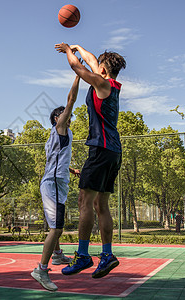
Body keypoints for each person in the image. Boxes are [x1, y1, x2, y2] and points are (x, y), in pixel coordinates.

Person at [55, 43, 126, 279]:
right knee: (101, 205)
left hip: (100, 149)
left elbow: (77, 66)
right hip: (113, 151)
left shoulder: (101, 83)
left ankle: (83, 255)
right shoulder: (111, 83)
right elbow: (93, 60)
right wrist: (79, 46)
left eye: (99, 67)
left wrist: (68, 51)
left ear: (104, 72)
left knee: (85, 200)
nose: (96, 68)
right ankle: (107, 255)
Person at [31, 75, 81, 292]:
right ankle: (40, 269)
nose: (67, 114)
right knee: (57, 228)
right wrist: (78, 74)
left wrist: (72, 169)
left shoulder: (62, 134)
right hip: (52, 184)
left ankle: (58, 256)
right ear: (56, 119)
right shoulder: (60, 128)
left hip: (57, 182)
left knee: (56, 224)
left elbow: (55, 159)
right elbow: (71, 100)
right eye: (62, 113)